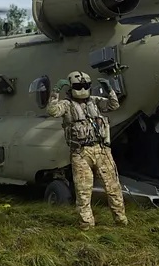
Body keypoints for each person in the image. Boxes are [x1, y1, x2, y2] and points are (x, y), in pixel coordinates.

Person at [47, 71, 128, 229]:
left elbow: (114, 105)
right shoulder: (66, 105)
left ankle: (121, 220)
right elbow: (52, 111)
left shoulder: (95, 101)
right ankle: (86, 225)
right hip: (81, 153)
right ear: (71, 88)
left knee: (113, 187)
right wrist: (55, 92)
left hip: (101, 150)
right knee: (83, 191)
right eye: (79, 86)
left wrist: (110, 90)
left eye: (86, 86)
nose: (83, 89)